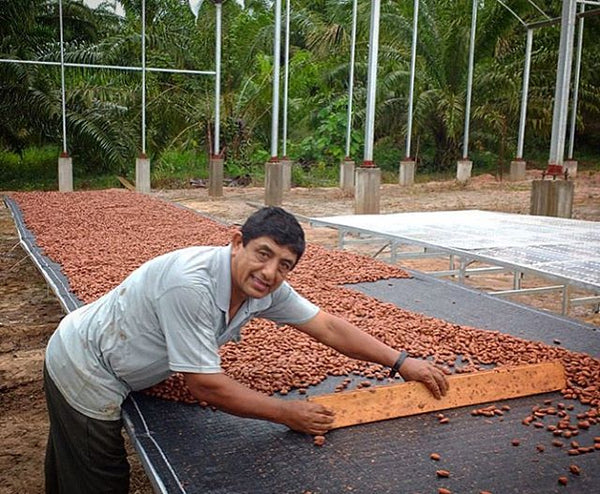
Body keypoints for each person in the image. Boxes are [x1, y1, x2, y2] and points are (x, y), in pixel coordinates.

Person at [43, 206, 449, 493]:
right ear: (237, 241)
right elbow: (205, 385)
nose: (270, 272)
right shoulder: (192, 286)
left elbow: (326, 326)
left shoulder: (263, 289)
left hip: (111, 354)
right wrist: (285, 412)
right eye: (263, 254)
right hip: (87, 368)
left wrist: (400, 361)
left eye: (284, 264)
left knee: (70, 457)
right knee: (101, 474)